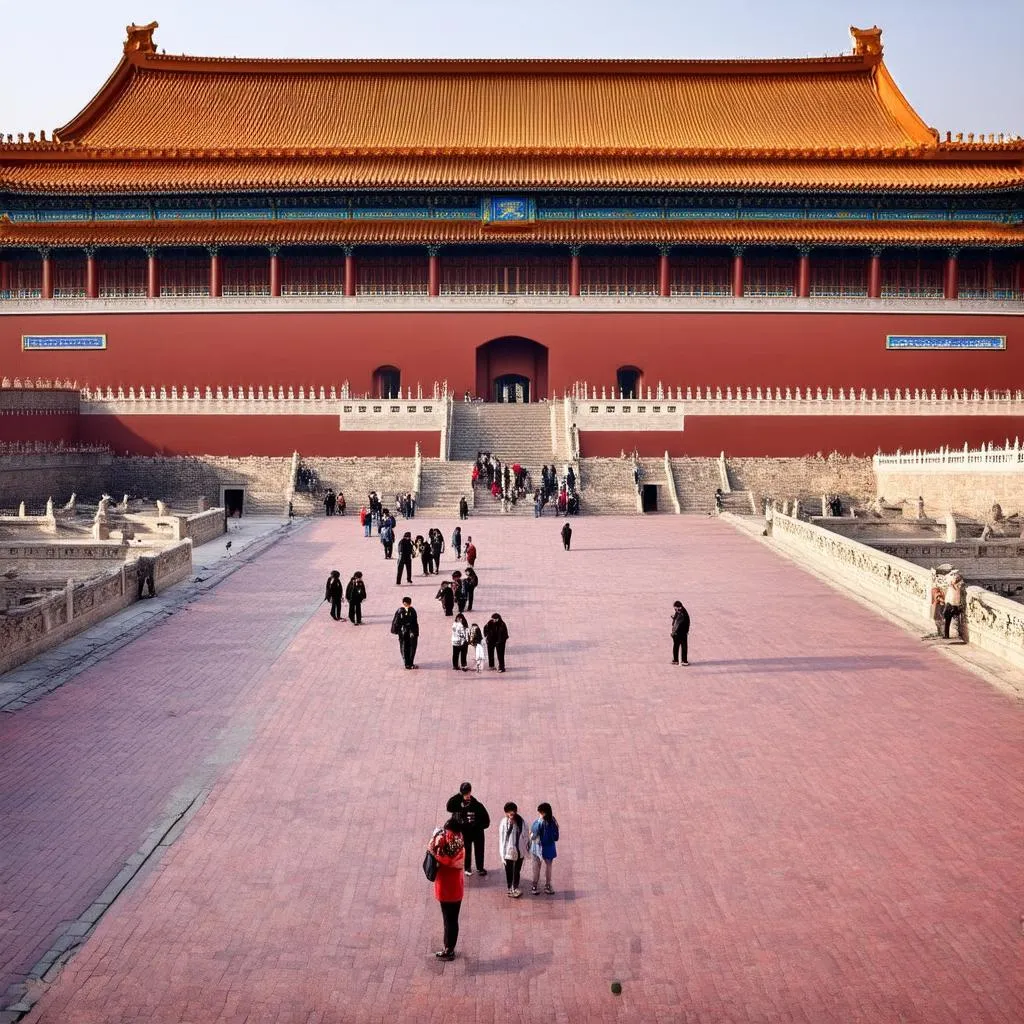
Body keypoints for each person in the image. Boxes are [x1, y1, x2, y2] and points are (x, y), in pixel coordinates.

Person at [428, 818, 465, 961]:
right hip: (456, 889)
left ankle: (448, 949)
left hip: (446, 889)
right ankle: (450, 947)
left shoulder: (448, 846)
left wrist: (435, 848)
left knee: (448, 920)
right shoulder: (459, 843)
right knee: (452, 920)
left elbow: (444, 859)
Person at [446, 782, 490, 877]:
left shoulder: (477, 805)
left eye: (467, 793)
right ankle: (467, 868)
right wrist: (459, 795)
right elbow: (449, 806)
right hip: (465, 833)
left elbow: (486, 821)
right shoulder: (458, 803)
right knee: (467, 850)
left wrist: (477, 825)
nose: (466, 796)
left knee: (479, 850)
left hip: (477, 832)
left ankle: (480, 868)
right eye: (464, 794)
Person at [529, 802, 559, 895]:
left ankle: (534, 886)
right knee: (548, 866)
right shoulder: (554, 821)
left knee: (536, 867)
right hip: (549, 847)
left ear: (543, 813)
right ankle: (548, 886)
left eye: (540, 813)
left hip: (537, 848)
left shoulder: (539, 823)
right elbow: (556, 837)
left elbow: (533, 835)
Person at [499, 802, 528, 898]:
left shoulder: (521, 822)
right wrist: (502, 855)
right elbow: (502, 839)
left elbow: (525, 836)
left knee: (517, 871)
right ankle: (510, 888)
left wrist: (525, 849)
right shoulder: (504, 823)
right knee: (509, 871)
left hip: (519, 851)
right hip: (508, 852)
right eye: (509, 813)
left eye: (512, 813)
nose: (511, 815)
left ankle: (515, 887)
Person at [390, 596, 419, 669]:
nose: (406, 605)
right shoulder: (401, 611)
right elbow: (396, 622)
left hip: (408, 632)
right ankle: (407, 663)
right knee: (405, 647)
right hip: (404, 632)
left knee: (410, 647)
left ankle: (409, 663)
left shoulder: (411, 610)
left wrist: (415, 632)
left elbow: (415, 622)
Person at [943, 570, 965, 640]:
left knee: (948, 621)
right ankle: (955, 634)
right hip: (955, 606)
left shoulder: (952, 587)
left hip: (951, 605)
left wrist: (952, 574)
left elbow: (947, 578)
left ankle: (947, 635)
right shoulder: (958, 588)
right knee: (954, 621)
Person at [671, 600, 690, 665]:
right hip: (682, 632)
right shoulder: (681, 612)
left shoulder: (682, 614)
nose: (675, 610)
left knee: (680, 646)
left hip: (680, 633)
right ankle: (681, 660)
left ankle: (680, 660)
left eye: (676, 608)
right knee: (679, 646)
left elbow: (677, 624)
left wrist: (673, 633)